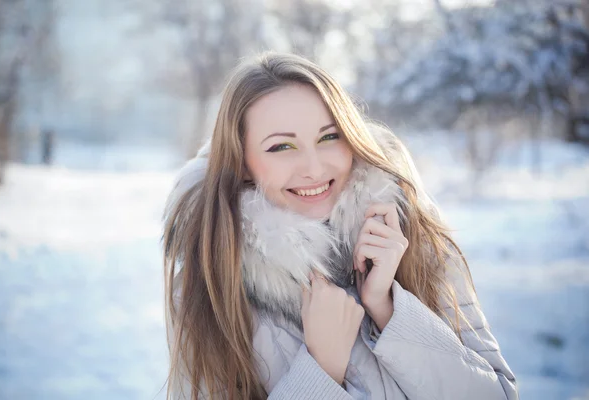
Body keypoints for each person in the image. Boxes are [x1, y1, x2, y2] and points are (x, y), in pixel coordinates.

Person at [162, 52, 518, 400]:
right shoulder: (210, 280)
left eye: (328, 137)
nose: (314, 169)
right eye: (281, 147)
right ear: (241, 162)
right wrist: (321, 369)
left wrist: (389, 310)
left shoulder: (409, 233)